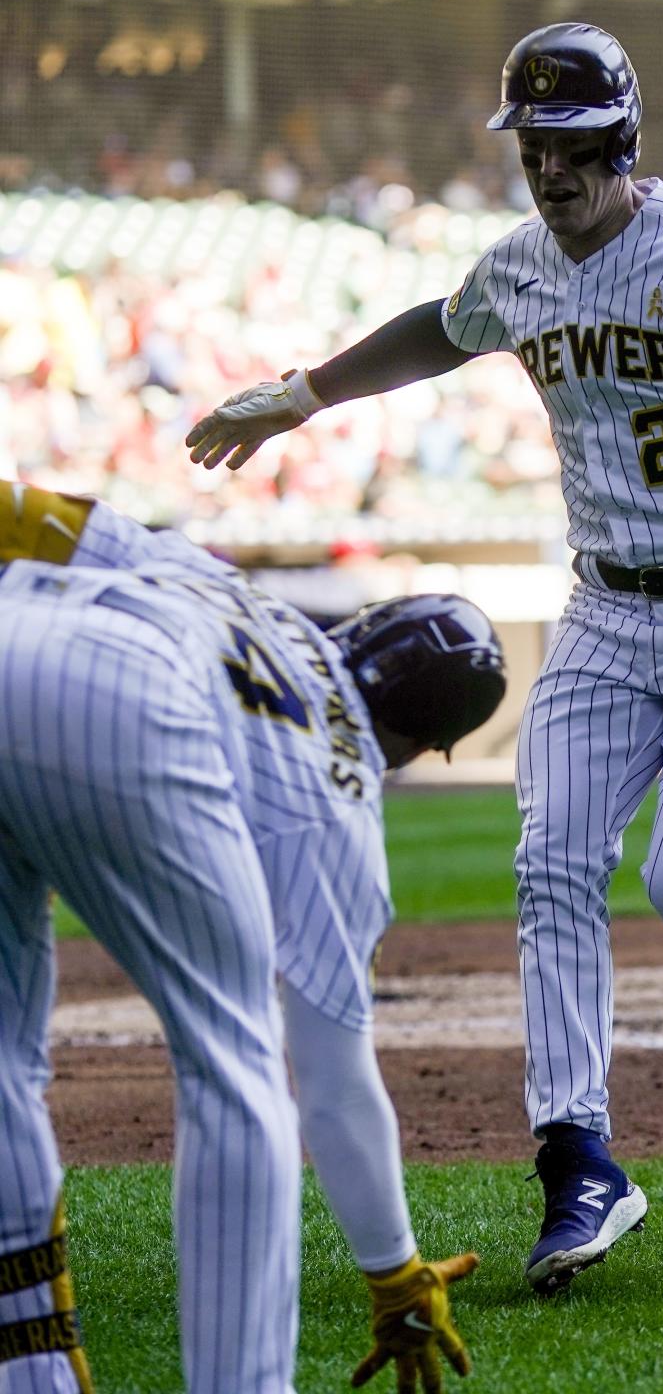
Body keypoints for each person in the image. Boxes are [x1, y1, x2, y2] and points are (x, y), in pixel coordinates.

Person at [185, 21, 663, 1295]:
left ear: (623, 139)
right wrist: (301, 393)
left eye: (570, 145)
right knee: (552, 864)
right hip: (606, 610)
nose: (549, 170)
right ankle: (579, 1157)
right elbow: (446, 325)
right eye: (531, 145)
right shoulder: (522, 264)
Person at [0, 480, 504, 1391]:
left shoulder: (235, 590)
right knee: (234, 1061)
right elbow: (335, 1086)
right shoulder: (346, 798)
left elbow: (33, 517)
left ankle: (27, 1372)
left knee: (2, 1051)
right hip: (133, 697)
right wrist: (393, 1270)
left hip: (19, 622)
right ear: (428, 741)